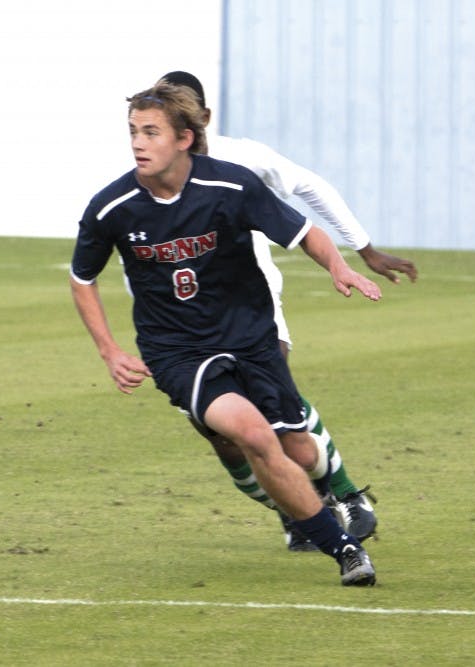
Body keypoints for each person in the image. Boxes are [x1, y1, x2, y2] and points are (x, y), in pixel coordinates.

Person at [70, 82, 382, 586]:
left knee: (298, 451)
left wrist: (338, 267)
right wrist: (108, 350)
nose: (138, 143)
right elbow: (82, 278)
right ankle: (344, 548)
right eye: (133, 132)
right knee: (252, 436)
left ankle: (328, 497)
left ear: (185, 138)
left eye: (151, 132)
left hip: (251, 338)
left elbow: (305, 233)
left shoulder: (233, 186)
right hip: (178, 352)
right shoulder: (113, 207)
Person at [159, 71, 418, 549]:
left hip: (251, 307)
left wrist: (362, 249)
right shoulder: (148, 174)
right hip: (185, 325)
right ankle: (294, 508)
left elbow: (309, 187)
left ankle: (345, 496)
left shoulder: (242, 158)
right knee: (218, 433)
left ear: (201, 119)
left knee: (277, 411)